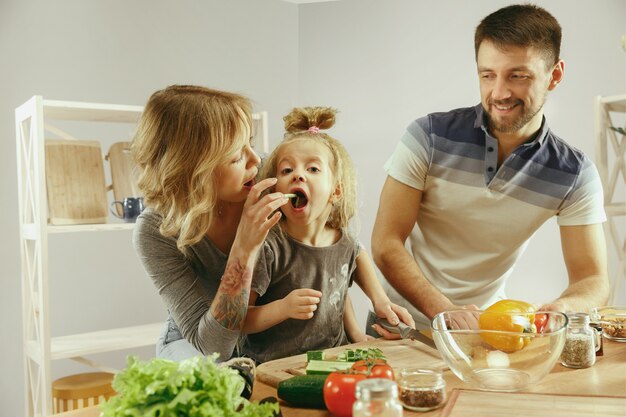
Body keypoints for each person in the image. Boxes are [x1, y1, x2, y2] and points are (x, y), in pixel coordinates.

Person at [371, 4, 609, 331]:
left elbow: (593, 279)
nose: (499, 93)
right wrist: (444, 310)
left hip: (485, 331)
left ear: (554, 75)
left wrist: (562, 307)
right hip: (400, 326)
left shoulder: (574, 174)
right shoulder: (427, 137)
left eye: (518, 75)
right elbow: (385, 244)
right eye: (488, 75)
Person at [240, 107, 414, 363]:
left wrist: (377, 305)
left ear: (335, 191)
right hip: (274, 364)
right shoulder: (269, 246)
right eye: (287, 171)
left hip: (331, 358)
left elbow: (339, 285)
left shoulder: (343, 243)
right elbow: (241, 320)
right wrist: (282, 308)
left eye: (312, 169)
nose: (298, 174)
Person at [132, 85, 291, 361]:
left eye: (249, 143)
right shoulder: (156, 229)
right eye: (235, 155)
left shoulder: (268, 175)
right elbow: (213, 346)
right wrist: (245, 246)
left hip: (267, 332)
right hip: (194, 344)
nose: (256, 158)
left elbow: (332, 239)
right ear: (194, 168)